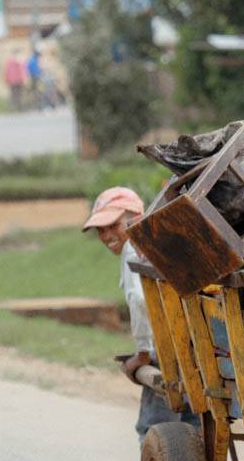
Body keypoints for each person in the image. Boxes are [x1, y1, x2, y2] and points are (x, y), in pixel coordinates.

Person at [81, 187, 199, 443]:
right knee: (194, 429)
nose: (107, 235)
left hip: (165, 355)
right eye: (101, 230)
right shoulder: (161, 239)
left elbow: (140, 300)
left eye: (114, 225)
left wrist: (142, 354)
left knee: (153, 431)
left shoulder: (134, 247)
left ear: (135, 217)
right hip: (196, 352)